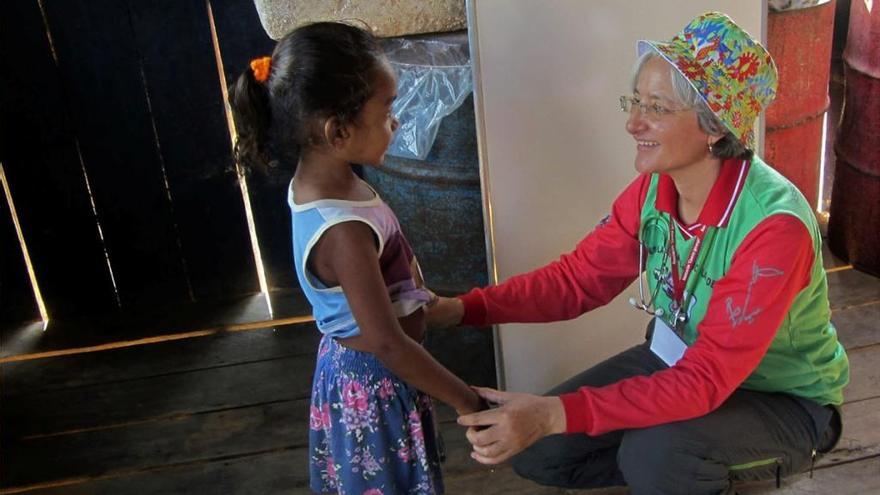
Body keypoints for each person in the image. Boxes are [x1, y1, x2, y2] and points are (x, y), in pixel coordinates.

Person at [427, 12, 849, 494]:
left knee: (655, 453)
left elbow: (707, 378)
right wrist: (462, 309)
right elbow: (577, 282)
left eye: (658, 108)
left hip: (782, 398)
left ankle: (690, 464)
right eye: (635, 101)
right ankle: (684, 467)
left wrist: (554, 414)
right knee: (542, 451)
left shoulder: (774, 228)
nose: (633, 122)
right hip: (680, 360)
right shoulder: (654, 189)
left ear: (714, 125)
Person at [228, 22, 485, 494]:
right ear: (338, 130)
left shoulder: (325, 182)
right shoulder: (342, 230)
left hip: (371, 374)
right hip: (376, 383)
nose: (397, 122)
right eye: (387, 109)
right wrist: (467, 401)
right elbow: (388, 343)